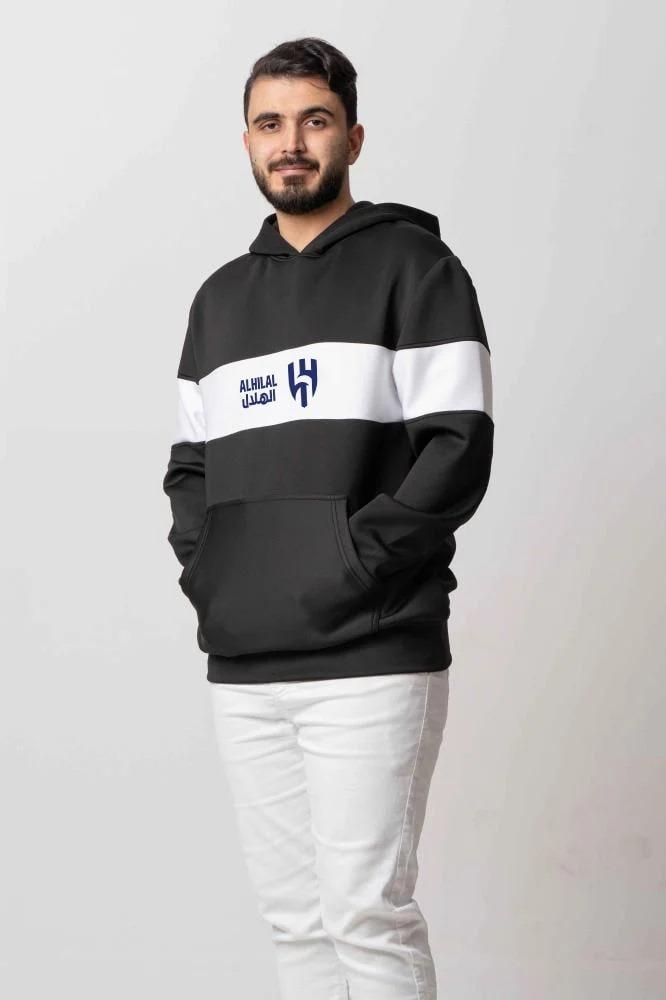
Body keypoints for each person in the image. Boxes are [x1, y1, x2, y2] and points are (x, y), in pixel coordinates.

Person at [162, 35, 494, 1000]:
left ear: (352, 136)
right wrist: (217, 573)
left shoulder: (416, 268)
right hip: (246, 659)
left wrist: (348, 564)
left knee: (366, 919)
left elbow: (458, 448)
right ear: (247, 141)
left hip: (372, 650)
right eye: (269, 124)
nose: (291, 143)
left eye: (314, 120)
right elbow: (190, 467)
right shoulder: (219, 301)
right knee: (296, 924)